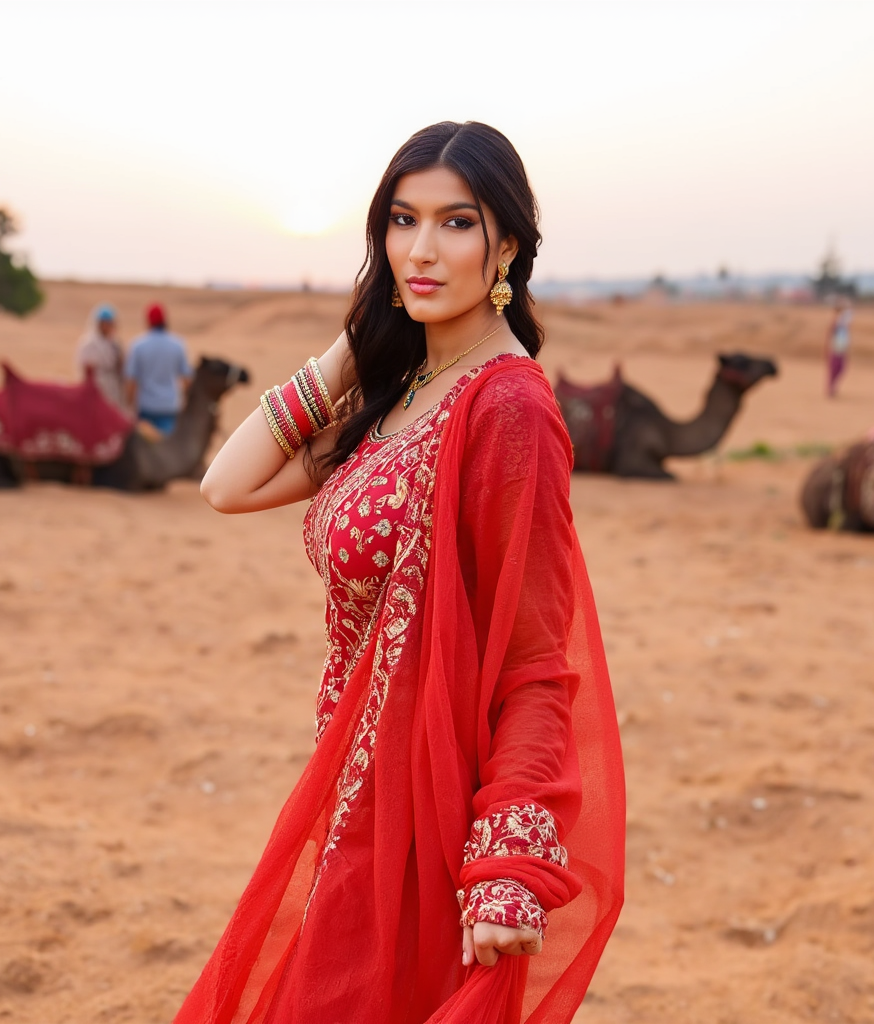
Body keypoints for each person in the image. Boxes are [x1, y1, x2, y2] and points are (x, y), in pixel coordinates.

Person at [178, 122, 625, 1024]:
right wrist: (360, 337)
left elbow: (537, 658)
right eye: (400, 221)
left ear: (506, 245)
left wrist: (506, 862)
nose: (421, 251)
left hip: (433, 813)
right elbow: (227, 485)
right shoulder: (409, 395)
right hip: (357, 796)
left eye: (456, 224)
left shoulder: (507, 409)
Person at [124, 303, 193, 433]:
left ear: (148, 322)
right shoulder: (178, 345)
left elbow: (131, 381)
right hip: (170, 407)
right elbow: (187, 380)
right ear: (165, 321)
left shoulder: (138, 346)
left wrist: (129, 407)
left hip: (146, 409)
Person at [76, 304, 126, 410]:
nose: (108, 326)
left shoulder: (115, 344)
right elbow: (85, 370)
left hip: (113, 390)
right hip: (96, 389)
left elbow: (120, 368)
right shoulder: (88, 344)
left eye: (110, 323)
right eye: (105, 323)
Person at [826, 296, 854, 398]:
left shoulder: (843, 321)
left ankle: (832, 387)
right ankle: (831, 388)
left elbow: (850, 312)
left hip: (841, 348)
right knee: (835, 368)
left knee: (841, 368)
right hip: (836, 348)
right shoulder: (837, 322)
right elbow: (830, 335)